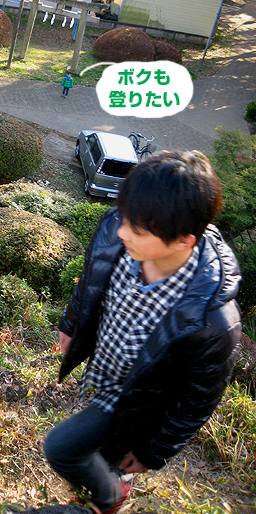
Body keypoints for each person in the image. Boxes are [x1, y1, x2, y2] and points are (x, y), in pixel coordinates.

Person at [44, 151, 241, 514]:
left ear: (183, 242)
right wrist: (72, 324)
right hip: (108, 369)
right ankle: (109, 479)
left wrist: (154, 451)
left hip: (138, 401)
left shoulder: (212, 322)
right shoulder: (118, 230)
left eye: (137, 230)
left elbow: (196, 400)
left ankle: (109, 496)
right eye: (124, 217)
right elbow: (91, 280)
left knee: (60, 448)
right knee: (107, 455)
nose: (121, 231)